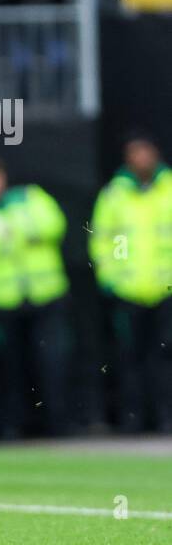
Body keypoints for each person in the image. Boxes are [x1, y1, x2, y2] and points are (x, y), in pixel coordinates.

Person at [0, 152, 70, 438]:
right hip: (2, 301)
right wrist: (11, 237)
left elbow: (53, 225)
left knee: (51, 361)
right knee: (8, 367)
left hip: (45, 295)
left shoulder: (30, 196)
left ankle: (57, 423)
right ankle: (12, 426)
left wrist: (10, 233)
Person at [89, 137, 172, 432]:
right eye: (135, 154)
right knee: (129, 358)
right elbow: (104, 238)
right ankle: (131, 419)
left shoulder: (168, 188)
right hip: (128, 291)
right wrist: (111, 278)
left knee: (165, 357)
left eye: (145, 152)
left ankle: (166, 418)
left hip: (166, 289)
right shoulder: (115, 194)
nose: (141, 159)